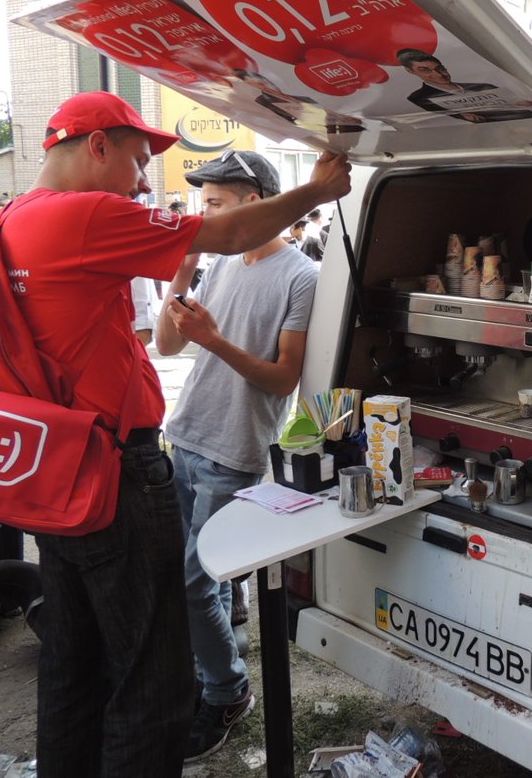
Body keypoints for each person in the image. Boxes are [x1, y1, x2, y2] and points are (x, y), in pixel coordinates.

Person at [0, 90, 349, 778]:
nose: (146, 182)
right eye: (140, 161)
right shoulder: (86, 214)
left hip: (59, 464)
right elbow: (231, 238)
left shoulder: (16, 217)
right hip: (113, 464)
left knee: (75, 659)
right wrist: (320, 188)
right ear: (97, 146)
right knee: (152, 672)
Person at [154, 149, 322, 761]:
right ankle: (217, 659)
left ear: (254, 205)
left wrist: (215, 341)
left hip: (236, 448)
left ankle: (225, 690)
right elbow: (167, 346)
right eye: (205, 207)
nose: (207, 218)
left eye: (217, 206)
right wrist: (181, 271)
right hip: (188, 432)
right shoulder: (218, 265)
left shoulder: (301, 277)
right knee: (202, 579)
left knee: (193, 582)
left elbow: (282, 380)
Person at [396, 48, 532, 123]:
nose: (439, 74)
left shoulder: (483, 86)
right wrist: (462, 116)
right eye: (425, 70)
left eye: (440, 68)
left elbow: (525, 105)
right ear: (410, 71)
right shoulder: (418, 98)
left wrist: (527, 104)